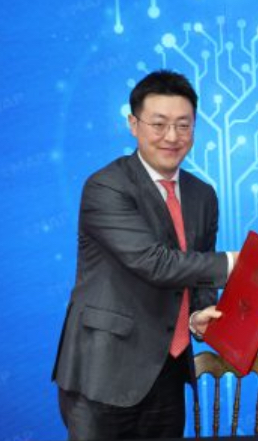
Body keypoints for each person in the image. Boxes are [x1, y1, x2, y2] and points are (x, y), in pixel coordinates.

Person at [52, 70, 234, 439]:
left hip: (169, 370)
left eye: (183, 125)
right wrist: (236, 263)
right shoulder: (106, 186)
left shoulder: (202, 195)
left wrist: (199, 313)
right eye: (159, 124)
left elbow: (198, 269)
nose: (172, 136)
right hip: (105, 370)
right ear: (133, 125)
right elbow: (155, 263)